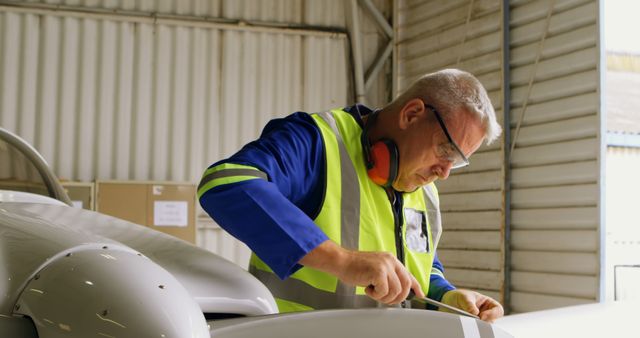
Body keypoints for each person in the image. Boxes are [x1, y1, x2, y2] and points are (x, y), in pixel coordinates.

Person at [198, 69, 504, 322]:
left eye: (458, 160)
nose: (445, 171)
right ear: (412, 114)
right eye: (445, 150)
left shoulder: (426, 192)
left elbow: (418, 269)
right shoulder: (319, 143)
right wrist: (343, 260)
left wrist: (446, 295)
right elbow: (226, 182)